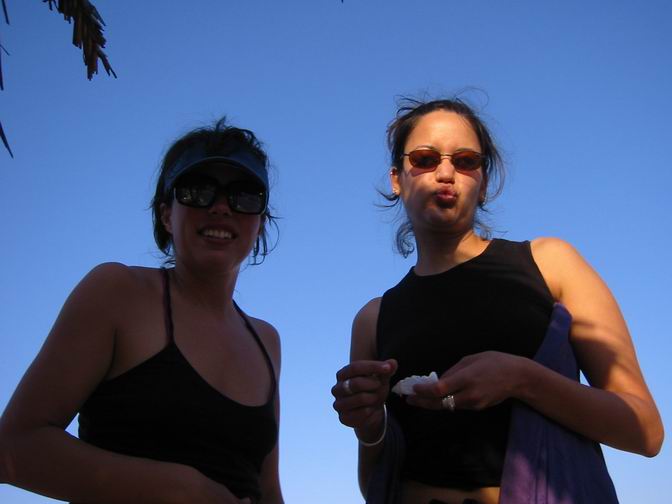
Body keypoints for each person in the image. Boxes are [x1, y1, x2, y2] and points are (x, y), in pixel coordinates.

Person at [331, 98, 664, 504]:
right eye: (425, 159)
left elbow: (645, 431)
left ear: (484, 182)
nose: (446, 173)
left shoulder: (552, 264)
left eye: (466, 161)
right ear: (397, 178)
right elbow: (374, 484)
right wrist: (370, 428)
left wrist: (523, 379)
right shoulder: (373, 319)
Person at [0, 118, 283, 504]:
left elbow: (268, 489)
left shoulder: (266, 341)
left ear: (260, 223)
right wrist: (180, 489)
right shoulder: (116, 292)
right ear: (166, 214)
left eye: (245, 196)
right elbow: (14, 446)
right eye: (198, 190)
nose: (221, 207)